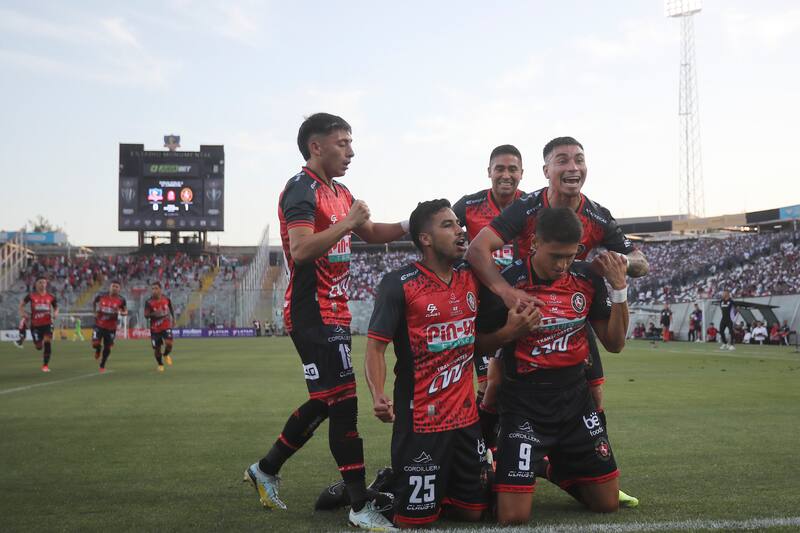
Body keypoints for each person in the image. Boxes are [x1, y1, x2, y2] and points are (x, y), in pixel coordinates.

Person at [244, 113, 407, 531]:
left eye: (350, 143)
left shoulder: (340, 190)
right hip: (312, 313)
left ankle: (265, 469)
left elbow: (372, 232)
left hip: (333, 311)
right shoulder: (301, 189)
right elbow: (300, 250)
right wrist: (347, 222)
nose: (351, 151)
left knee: (325, 401)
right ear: (316, 147)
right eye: (342, 143)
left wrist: (414, 222)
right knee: (345, 405)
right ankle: (359, 505)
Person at [465, 136, 645, 507]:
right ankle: (487, 462)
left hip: (574, 306)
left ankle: (584, 465)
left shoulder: (597, 216)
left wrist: (615, 267)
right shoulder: (527, 207)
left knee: (594, 392)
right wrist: (506, 292)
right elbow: (477, 248)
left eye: (579, 159)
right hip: (527, 305)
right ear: (546, 170)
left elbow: (640, 261)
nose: (572, 167)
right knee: (494, 384)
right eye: (562, 160)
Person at [362, 199, 539, 528]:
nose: (460, 230)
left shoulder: (471, 277)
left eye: (459, 223)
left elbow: (475, 344)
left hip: (466, 419)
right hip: (422, 422)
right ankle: (378, 493)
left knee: (472, 512)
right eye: (448, 225)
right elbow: (375, 348)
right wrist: (378, 394)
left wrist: (509, 332)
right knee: (415, 521)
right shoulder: (399, 284)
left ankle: (430, 487)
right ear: (425, 239)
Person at [476, 208, 629, 524]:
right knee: (512, 517)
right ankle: (498, 470)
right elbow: (477, 346)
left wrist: (619, 289)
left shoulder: (586, 278)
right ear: (534, 243)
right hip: (524, 406)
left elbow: (615, 344)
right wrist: (510, 333)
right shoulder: (509, 284)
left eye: (570, 256)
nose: (562, 265)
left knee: (607, 504)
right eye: (556, 256)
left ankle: (547, 467)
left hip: (575, 404)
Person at [452, 144, 525, 450]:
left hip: (521, 307)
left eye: (512, 169)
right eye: (500, 169)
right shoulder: (469, 205)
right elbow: (443, 234)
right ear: (489, 172)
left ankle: (518, 450)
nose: (506, 175)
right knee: (487, 387)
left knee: (518, 386)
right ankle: (484, 453)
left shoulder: (532, 205)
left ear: (521, 173)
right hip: (482, 312)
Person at [19, 275, 59, 372]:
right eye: (40, 282)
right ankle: (38, 344)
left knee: (47, 342)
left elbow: (56, 307)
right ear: (36, 284)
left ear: (46, 284)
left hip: (48, 323)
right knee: (39, 347)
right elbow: (21, 305)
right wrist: (23, 313)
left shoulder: (51, 297)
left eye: (44, 282)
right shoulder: (31, 296)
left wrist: (55, 313)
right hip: (35, 325)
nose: (42, 284)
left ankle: (45, 365)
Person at [92, 280, 128, 373]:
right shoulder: (101, 296)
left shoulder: (121, 300)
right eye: (113, 286)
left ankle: (102, 365)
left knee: (108, 348)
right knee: (95, 344)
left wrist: (122, 313)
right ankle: (98, 349)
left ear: (119, 289)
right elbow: (94, 302)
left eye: (117, 287)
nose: (114, 288)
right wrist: (95, 312)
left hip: (111, 328)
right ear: (110, 287)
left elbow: (125, 311)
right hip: (99, 325)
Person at [143, 281, 175, 372]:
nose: (154, 290)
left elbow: (171, 307)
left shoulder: (166, 299)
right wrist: (154, 314)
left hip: (166, 326)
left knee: (169, 344)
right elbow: (146, 315)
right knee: (157, 350)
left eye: (156, 288)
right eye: (153, 289)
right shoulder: (148, 302)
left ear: (160, 289)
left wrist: (173, 318)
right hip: (155, 329)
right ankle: (160, 364)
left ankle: (166, 354)